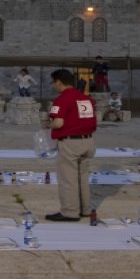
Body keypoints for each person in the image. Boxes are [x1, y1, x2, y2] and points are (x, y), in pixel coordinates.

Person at [44, 69, 97, 222]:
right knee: (82, 177)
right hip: (88, 142)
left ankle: (70, 212)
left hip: (70, 143)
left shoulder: (62, 99)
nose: (53, 85)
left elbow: (58, 123)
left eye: (53, 82)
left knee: (68, 178)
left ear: (59, 82)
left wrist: (48, 125)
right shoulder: (87, 99)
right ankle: (85, 209)